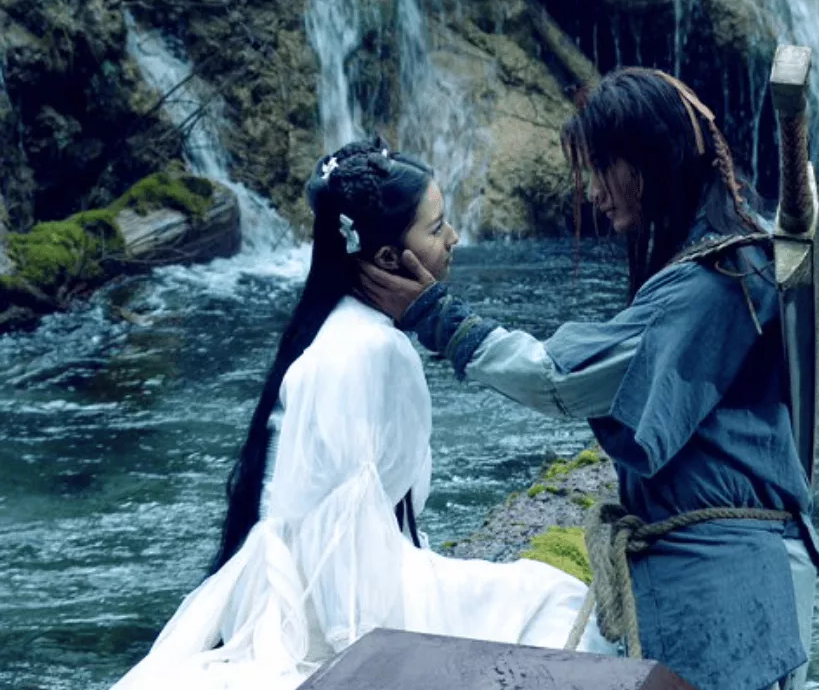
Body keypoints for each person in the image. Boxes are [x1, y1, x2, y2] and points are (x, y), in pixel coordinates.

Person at [359, 69, 819, 690]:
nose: (594, 192)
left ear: (650, 161)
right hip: (722, 569)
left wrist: (438, 317)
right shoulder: (731, 258)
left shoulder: (714, 282)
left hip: (728, 581)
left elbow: (560, 380)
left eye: (603, 166)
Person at [109, 139, 613, 690]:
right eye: (437, 227)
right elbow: (343, 546)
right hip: (346, 600)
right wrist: (370, 659)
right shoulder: (373, 349)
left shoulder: (325, 326)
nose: (454, 238)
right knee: (554, 602)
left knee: (542, 593)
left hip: (299, 582)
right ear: (389, 259)